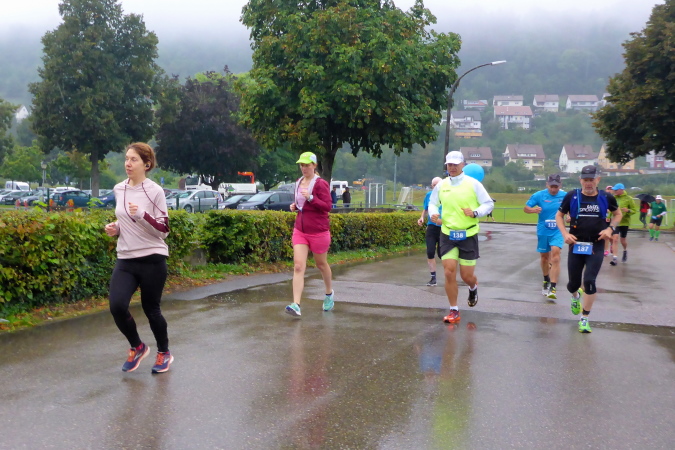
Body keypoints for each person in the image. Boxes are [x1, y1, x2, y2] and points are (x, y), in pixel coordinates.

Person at [104, 142, 173, 373]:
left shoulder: (155, 191)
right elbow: (125, 219)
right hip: (126, 259)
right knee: (117, 306)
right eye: (126, 159)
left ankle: (164, 352)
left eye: (133, 159)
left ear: (147, 164)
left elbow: (164, 230)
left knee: (151, 310)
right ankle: (138, 346)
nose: (128, 163)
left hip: (152, 259)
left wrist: (142, 215)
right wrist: (116, 228)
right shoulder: (119, 189)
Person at [428, 151, 494, 323]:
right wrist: (433, 213)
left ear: (463, 165)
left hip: (468, 234)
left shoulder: (473, 184)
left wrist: (475, 212)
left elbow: (488, 204)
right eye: (449, 165)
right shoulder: (441, 185)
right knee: (449, 271)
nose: (452, 167)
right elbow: (432, 203)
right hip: (447, 234)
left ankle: (473, 286)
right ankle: (454, 310)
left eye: (455, 164)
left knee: (466, 276)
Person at [556, 165, 621, 333]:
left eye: (591, 180)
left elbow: (618, 214)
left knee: (590, 281)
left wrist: (610, 229)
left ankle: (584, 318)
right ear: (580, 180)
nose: (588, 183)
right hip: (576, 245)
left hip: (596, 245)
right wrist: (565, 234)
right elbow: (559, 216)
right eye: (585, 180)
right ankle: (575, 296)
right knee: (573, 284)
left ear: (598, 180)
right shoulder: (572, 196)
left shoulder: (606, 197)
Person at [285, 152, 334, 317]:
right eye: (302, 165)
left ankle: (329, 293)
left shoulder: (320, 184)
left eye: (307, 165)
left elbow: (327, 206)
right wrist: (295, 206)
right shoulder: (298, 182)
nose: (304, 168)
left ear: (314, 166)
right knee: (298, 266)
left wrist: (312, 198)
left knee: (321, 264)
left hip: (318, 231)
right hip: (300, 230)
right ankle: (296, 304)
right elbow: (302, 205)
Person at [523, 174, 566, 299]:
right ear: (547, 184)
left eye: (556, 187)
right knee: (544, 258)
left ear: (560, 185)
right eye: (551, 186)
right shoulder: (539, 195)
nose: (553, 189)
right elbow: (526, 208)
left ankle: (553, 287)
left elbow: (571, 209)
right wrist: (533, 210)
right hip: (543, 230)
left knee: (556, 254)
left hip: (558, 230)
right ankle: (546, 279)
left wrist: (569, 215)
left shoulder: (565, 196)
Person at [417, 176, 443, 286]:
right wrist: (422, 218)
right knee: (430, 252)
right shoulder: (429, 195)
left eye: (438, 185)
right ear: (431, 186)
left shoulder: (447, 195)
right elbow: (425, 209)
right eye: (434, 185)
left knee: (442, 254)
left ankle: (451, 275)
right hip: (431, 227)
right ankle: (433, 278)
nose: (436, 187)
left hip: (443, 228)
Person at [609, 183, 637, 265]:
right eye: (614, 190)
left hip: (624, 222)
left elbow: (634, 210)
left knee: (622, 239)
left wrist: (628, 211)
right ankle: (614, 258)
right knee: (615, 239)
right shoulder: (613, 198)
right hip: (615, 222)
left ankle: (625, 250)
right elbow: (611, 209)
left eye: (616, 190)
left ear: (621, 190)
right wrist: (608, 216)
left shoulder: (629, 198)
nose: (614, 191)